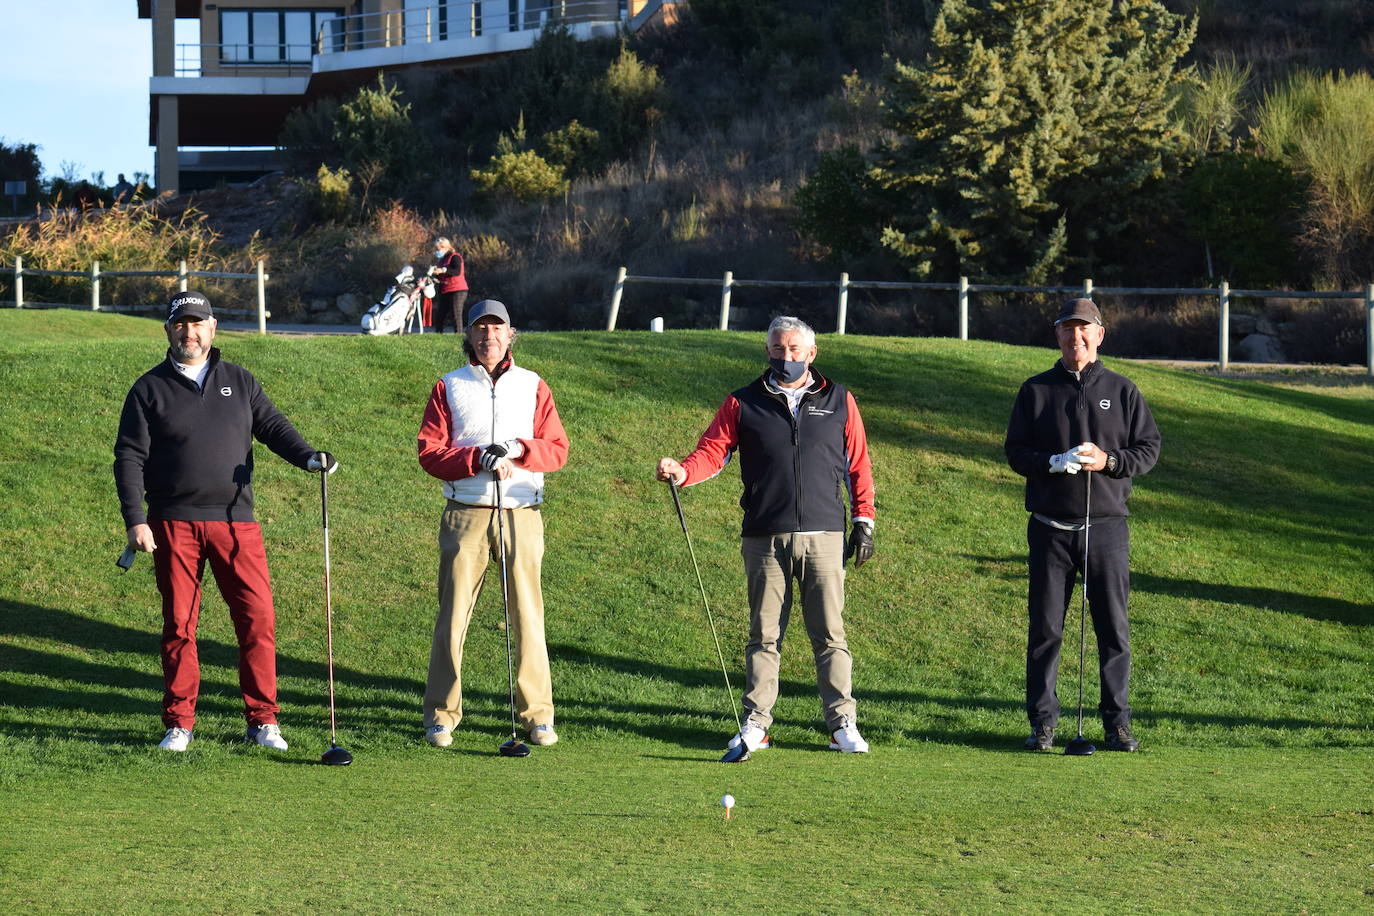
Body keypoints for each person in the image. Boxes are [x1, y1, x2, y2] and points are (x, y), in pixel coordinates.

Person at [114, 290, 338, 753]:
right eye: (180, 324)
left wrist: (308, 458)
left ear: (212, 329)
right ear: (168, 331)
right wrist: (136, 520)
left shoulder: (240, 380)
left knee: (257, 621)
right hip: (173, 522)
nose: (189, 332)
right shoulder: (147, 389)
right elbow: (129, 457)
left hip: (237, 522)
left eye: (197, 324)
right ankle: (179, 723)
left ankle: (263, 722)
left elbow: (273, 427)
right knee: (179, 625)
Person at [655, 316, 876, 754]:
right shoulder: (743, 402)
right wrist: (683, 471)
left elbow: (858, 466)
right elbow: (712, 452)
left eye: (795, 350)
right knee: (764, 635)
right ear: (768, 350)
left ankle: (842, 724)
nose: (786, 357)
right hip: (764, 536)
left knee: (830, 634)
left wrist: (864, 521)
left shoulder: (839, 400)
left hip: (825, 534)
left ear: (811, 354)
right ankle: (756, 724)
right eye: (778, 349)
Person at [1004, 298, 1161, 753]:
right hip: (1051, 527)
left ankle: (1117, 725)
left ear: (1099, 334)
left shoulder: (1123, 389)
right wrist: (1052, 462)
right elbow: (1016, 452)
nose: (1076, 338)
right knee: (1046, 630)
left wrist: (1110, 461)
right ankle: (1043, 723)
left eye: (1084, 330)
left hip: (1107, 528)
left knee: (1113, 629)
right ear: (1057, 337)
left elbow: (1148, 449)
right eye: (1068, 331)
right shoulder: (1035, 391)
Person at [416, 298, 569, 748]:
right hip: (466, 513)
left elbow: (556, 449)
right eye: (480, 330)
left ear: (510, 335)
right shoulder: (449, 385)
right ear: (470, 336)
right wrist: (473, 458)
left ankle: (537, 716)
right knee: (453, 617)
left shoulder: (534, 385)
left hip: (521, 512)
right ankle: (441, 715)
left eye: (496, 330)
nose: (488, 338)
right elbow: (429, 452)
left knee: (528, 616)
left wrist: (519, 449)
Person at [429, 237, 468, 334]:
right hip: (445, 289)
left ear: (445, 247)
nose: (437, 251)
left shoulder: (455, 257)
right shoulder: (442, 260)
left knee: (456, 313)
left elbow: (457, 271)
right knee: (440, 314)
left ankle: (458, 334)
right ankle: (438, 334)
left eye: (438, 249)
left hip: (457, 290)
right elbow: (442, 275)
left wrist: (442, 270)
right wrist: (435, 278)